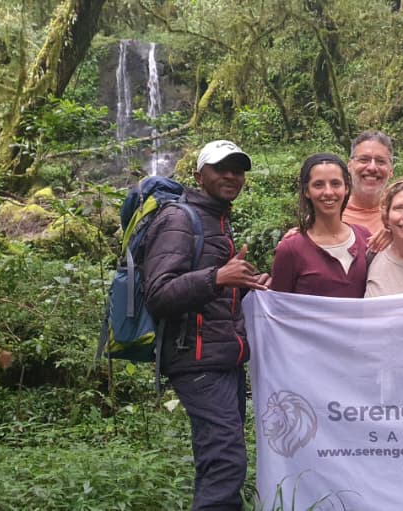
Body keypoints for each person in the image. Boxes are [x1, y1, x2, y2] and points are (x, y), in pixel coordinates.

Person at [141, 139, 270, 511]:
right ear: (199, 175)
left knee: (218, 458)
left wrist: (247, 287)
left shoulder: (216, 219)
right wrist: (218, 277)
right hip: (196, 361)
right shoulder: (179, 218)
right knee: (227, 461)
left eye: (238, 169)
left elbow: (211, 297)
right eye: (221, 168)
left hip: (222, 359)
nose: (231, 175)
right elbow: (159, 294)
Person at [271, 153, 369, 297]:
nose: (328, 192)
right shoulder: (291, 249)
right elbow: (278, 307)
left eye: (335, 184)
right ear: (307, 191)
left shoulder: (365, 237)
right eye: (318, 185)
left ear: (346, 188)